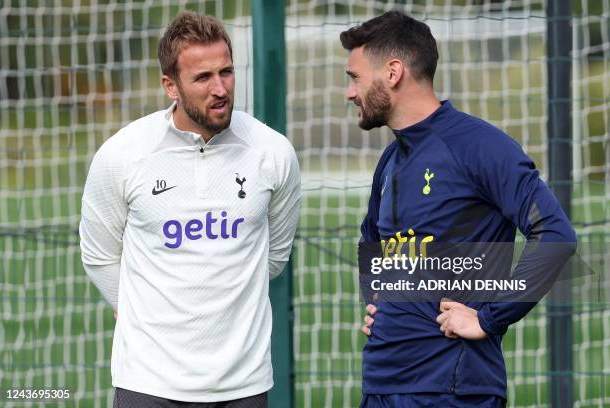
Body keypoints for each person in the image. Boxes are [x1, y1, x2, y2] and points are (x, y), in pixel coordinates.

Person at [340, 10, 576, 408]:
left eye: (355, 78)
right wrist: (380, 301)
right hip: (381, 382)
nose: (350, 93)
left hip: (452, 390)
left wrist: (488, 318)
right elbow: (373, 240)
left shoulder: (479, 147)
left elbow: (555, 235)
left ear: (393, 72)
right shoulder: (390, 161)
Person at [79, 11, 300, 408]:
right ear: (170, 85)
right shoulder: (122, 155)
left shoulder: (273, 153)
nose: (220, 88)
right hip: (148, 382)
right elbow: (99, 255)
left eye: (227, 72)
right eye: (202, 78)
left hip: (244, 385)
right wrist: (134, 310)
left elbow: (274, 256)